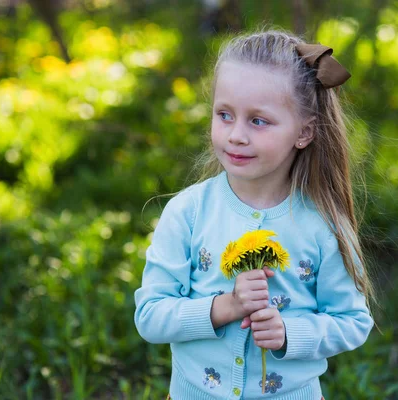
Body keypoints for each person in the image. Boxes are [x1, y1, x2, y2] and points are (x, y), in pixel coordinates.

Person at [134, 29, 375, 399]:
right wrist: (224, 307)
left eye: (258, 121)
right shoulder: (188, 212)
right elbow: (150, 315)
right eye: (225, 115)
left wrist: (289, 333)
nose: (236, 135)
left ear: (304, 132)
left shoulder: (323, 224)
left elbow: (353, 321)